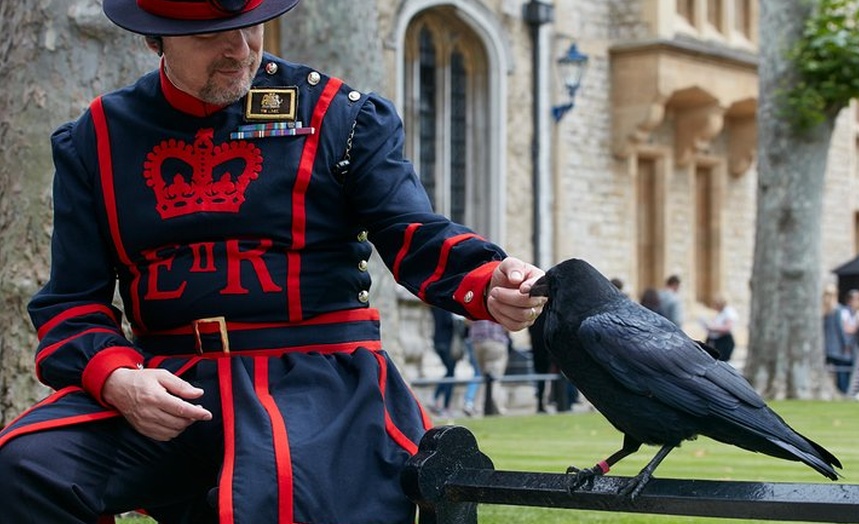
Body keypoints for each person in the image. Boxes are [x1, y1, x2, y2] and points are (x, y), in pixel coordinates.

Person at [0, 2, 547, 522]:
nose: (241, 50)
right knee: (27, 468)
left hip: (317, 382)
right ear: (155, 39)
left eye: (253, 26)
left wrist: (485, 279)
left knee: (283, 497)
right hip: (167, 384)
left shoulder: (340, 115)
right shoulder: (95, 138)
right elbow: (72, 302)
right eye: (211, 35)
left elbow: (414, 234)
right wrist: (117, 377)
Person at [467, 319, 511, 416]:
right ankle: (480, 408)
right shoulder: (499, 304)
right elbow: (508, 325)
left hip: (477, 342)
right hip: (496, 341)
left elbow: (468, 321)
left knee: (485, 378)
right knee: (493, 379)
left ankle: (493, 407)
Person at [429, 307, 459, 416]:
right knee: (451, 373)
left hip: (438, 341)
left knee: (449, 372)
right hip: (446, 342)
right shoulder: (444, 307)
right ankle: (444, 404)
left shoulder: (435, 307)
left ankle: (436, 399)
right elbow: (448, 322)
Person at [822, 284, 850, 393]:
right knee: (841, 370)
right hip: (836, 346)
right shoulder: (837, 310)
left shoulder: (822, 310)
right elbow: (840, 329)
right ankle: (843, 390)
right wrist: (845, 344)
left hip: (824, 347)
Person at [703, 294, 738, 362]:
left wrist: (715, 328)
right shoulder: (720, 313)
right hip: (716, 340)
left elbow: (728, 327)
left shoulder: (728, 312)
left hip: (724, 340)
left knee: (722, 360)